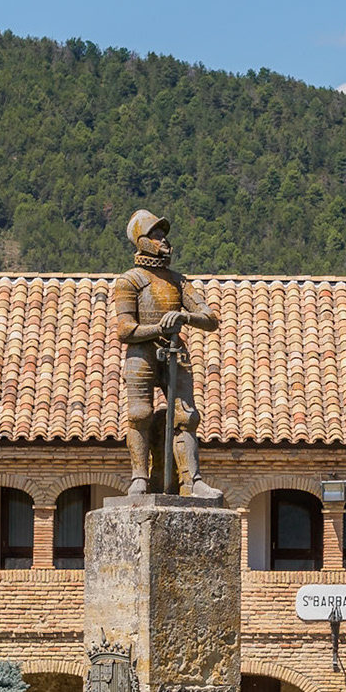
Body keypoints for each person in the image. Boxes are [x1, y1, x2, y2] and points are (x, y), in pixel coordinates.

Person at [111, 209, 222, 498]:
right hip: (142, 353)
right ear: (141, 240)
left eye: (164, 234)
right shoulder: (130, 281)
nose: (163, 240)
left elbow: (210, 318)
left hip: (175, 351)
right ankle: (139, 477)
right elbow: (125, 330)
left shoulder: (177, 281)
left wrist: (184, 318)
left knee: (187, 415)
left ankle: (192, 480)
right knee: (140, 414)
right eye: (156, 234)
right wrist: (158, 326)